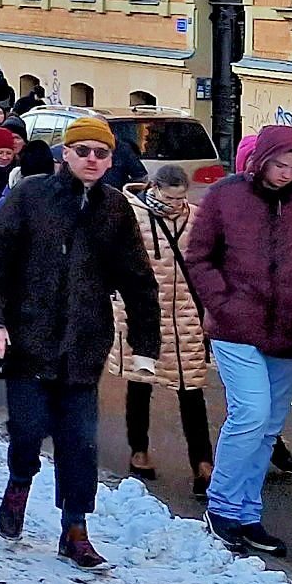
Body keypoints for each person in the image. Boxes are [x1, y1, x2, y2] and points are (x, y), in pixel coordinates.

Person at [0, 118, 163, 570]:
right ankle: (19, 483)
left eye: (101, 153)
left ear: (111, 160)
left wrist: (145, 347)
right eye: (83, 152)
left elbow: (139, 282)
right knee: (27, 430)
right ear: (66, 155)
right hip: (27, 340)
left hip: (84, 343)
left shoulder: (116, 209)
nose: (92, 160)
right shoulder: (31, 196)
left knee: (80, 443)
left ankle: (75, 529)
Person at [185, 122, 292, 557]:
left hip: (290, 331)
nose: (286, 172)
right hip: (237, 327)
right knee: (249, 414)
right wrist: (222, 302)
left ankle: (248, 512)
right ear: (262, 161)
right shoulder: (226, 197)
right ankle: (222, 505)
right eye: (279, 164)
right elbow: (200, 256)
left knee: (267, 427)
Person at [111, 164, 218, 496]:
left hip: (186, 311)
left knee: (191, 387)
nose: (176, 204)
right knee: (140, 384)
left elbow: (208, 260)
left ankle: (202, 463)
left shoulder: (197, 218)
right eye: (170, 197)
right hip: (141, 311)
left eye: (181, 198)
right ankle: (139, 451)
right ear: (154, 189)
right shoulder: (129, 216)